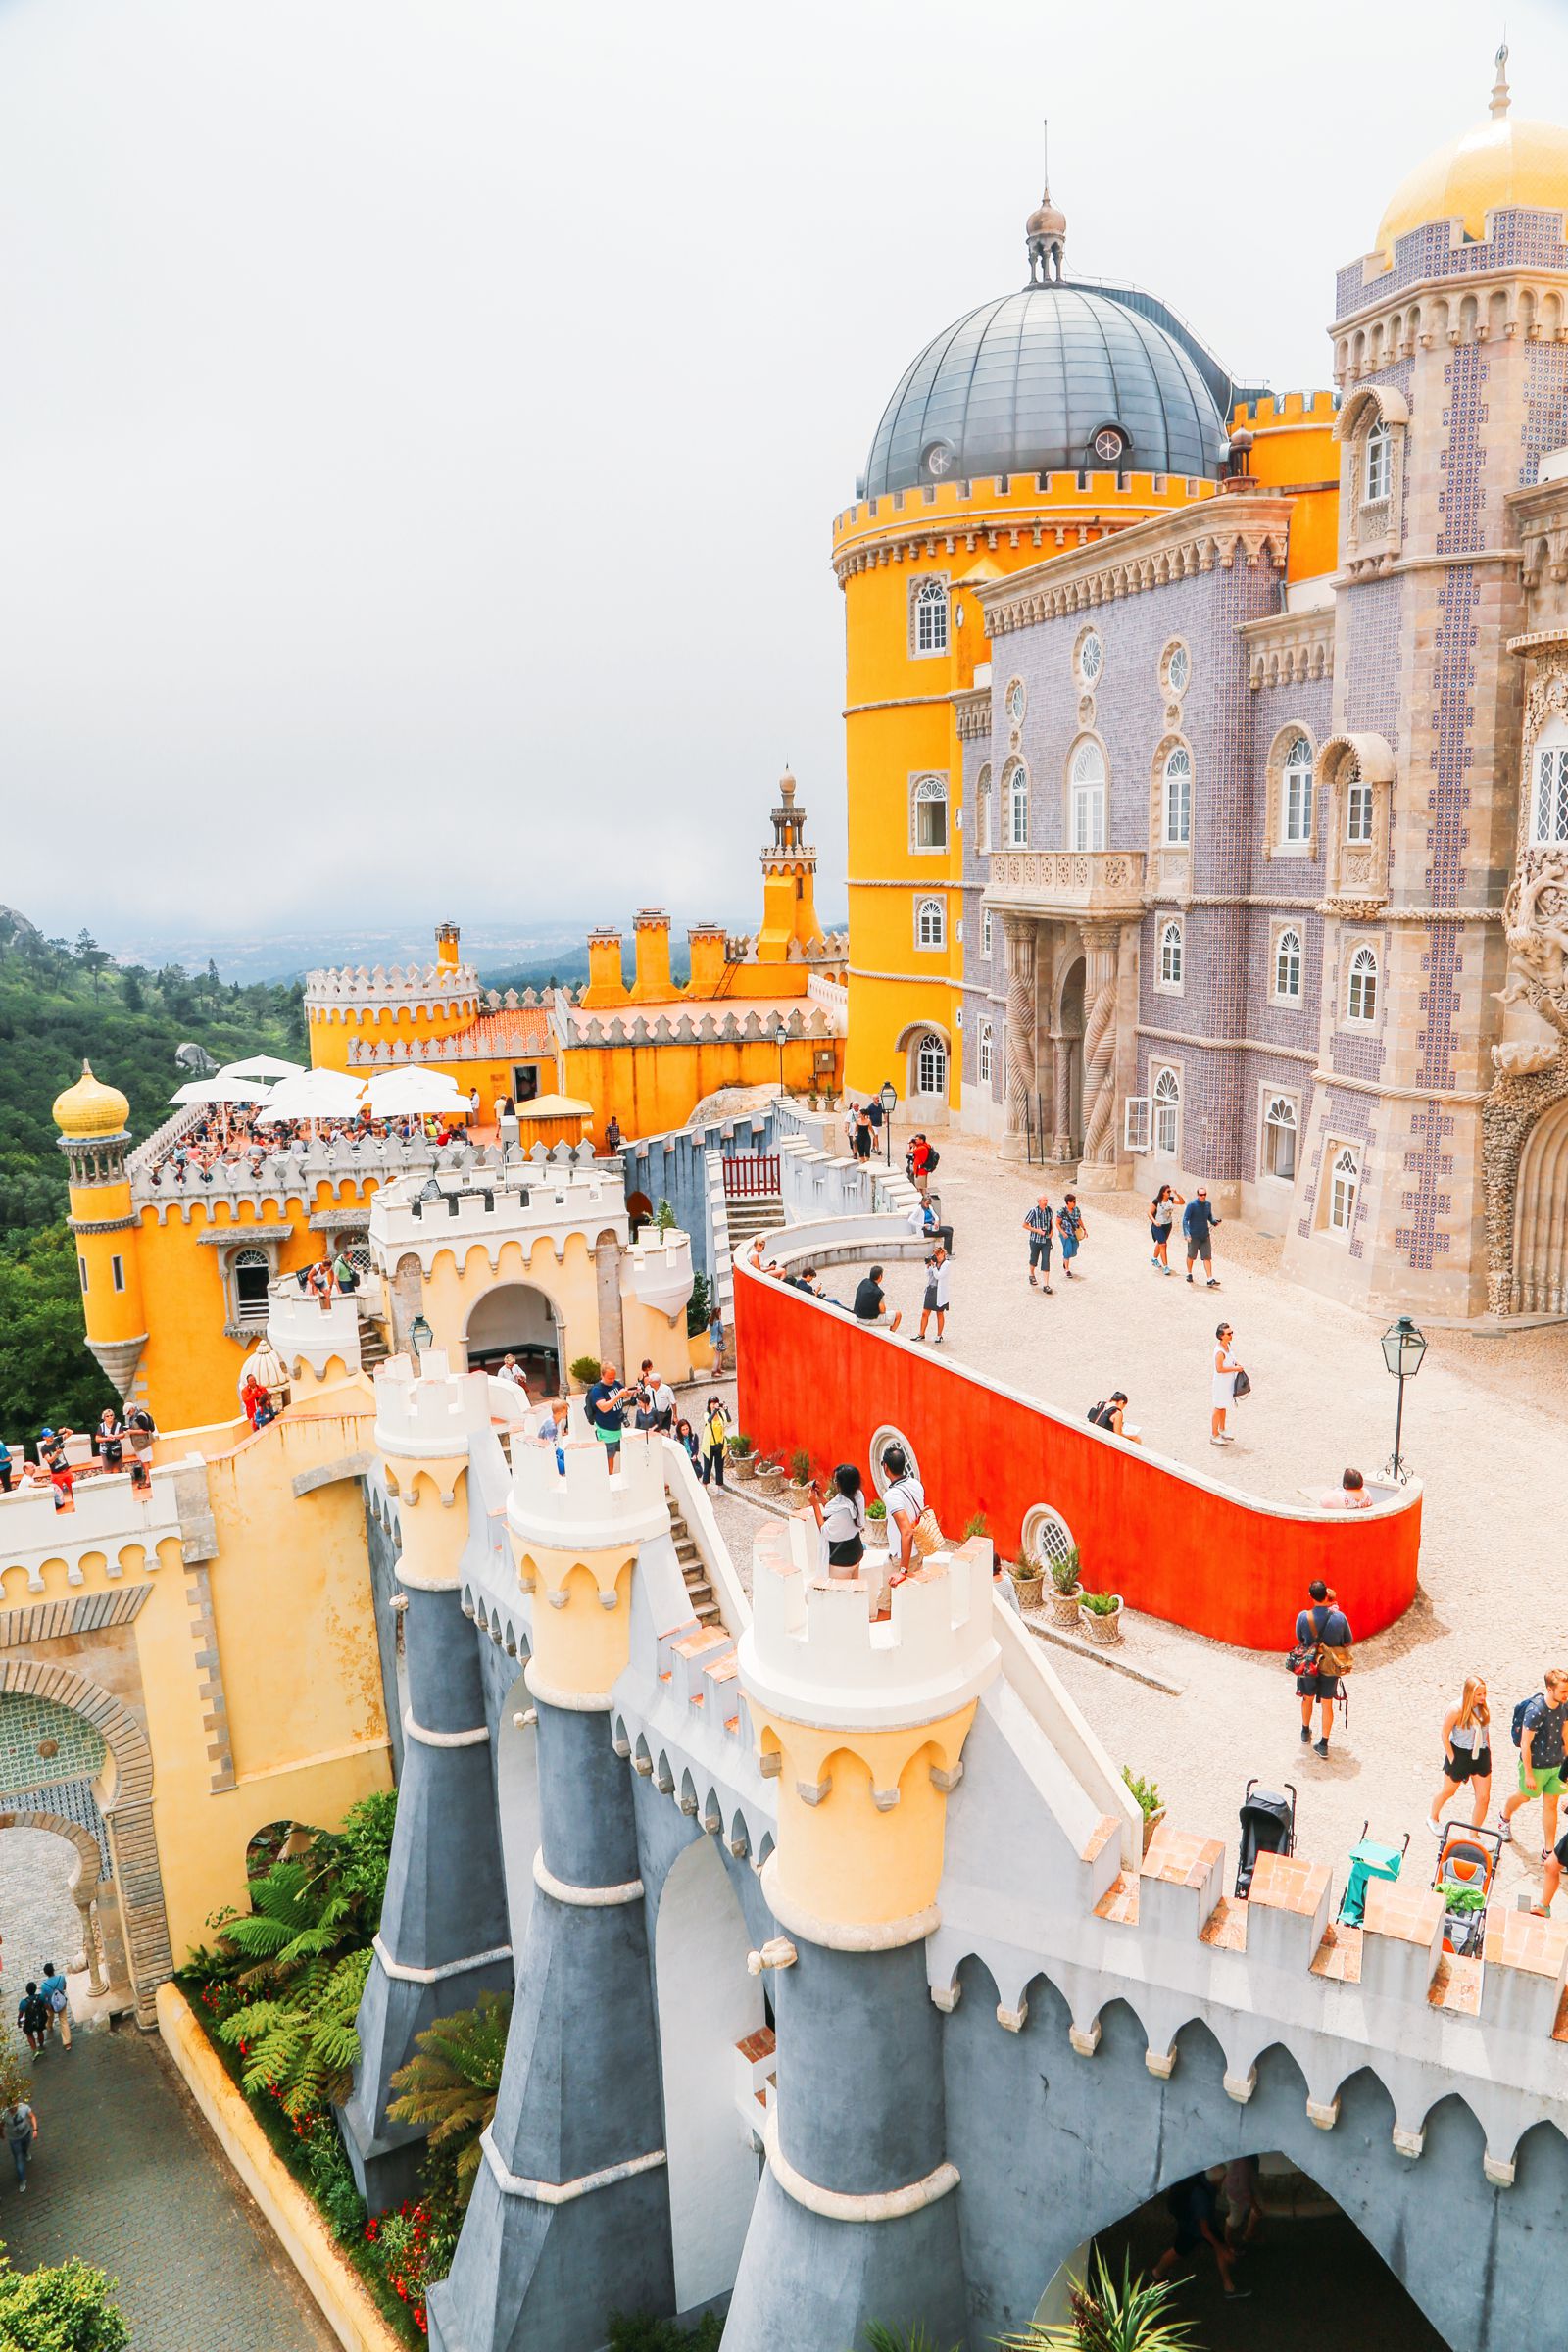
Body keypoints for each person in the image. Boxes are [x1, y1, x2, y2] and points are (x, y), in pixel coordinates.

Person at [1500, 1668, 1568, 1857]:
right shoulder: (1535, 1711)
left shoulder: (1565, 1706)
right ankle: (1504, 1816)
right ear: (1550, 1689)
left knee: (1551, 1804)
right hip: (1536, 1766)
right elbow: (1525, 1744)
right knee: (1524, 1796)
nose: (1566, 1695)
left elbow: (1565, 1734)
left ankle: (1548, 1851)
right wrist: (1528, 1773)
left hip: (1556, 1765)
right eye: (1563, 1691)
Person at [1152, 2171, 1249, 2300]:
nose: (1225, 2182)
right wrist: (1223, 2251)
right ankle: (1157, 2274)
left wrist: (1222, 2248)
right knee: (1179, 2250)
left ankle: (1229, 2287)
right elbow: (1205, 2231)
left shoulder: (1204, 2178)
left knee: (1219, 2244)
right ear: (1217, 2181)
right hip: (1193, 2228)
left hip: (1197, 2222)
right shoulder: (1201, 2198)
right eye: (1223, 2180)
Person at [1295, 1578, 1352, 1757]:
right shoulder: (1339, 1618)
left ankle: (1305, 1732)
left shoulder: (1304, 1617)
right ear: (1326, 1595)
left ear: (1310, 1596)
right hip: (1330, 1666)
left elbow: (1299, 1638)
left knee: (1307, 1699)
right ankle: (1324, 1744)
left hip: (1309, 1665)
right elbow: (1347, 1640)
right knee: (1327, 1705)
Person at [1429, 1676, 1493, 1834]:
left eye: (1484, 1694)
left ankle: (1474, 1834)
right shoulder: (1456, 1709)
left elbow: (1485, 1732)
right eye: (1479, 1695)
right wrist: (1452, 1758)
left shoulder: (1484, 1707)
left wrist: (1488, 1752)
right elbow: (1445, 1734)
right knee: (1448, 1791)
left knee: (1483, 1798)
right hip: (1460, 1753)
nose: (1482, 1698)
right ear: (1469, 1693)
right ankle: (1433, 1817)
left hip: (1480, 1753)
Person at [808, 1463, 866, 1579]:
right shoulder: (858, 1495)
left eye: (835, 1480)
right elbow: (834, 1511)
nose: (834, 1483)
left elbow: (824, 1530)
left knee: (841, 1596)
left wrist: (815, 1505)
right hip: (856, 1550)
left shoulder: (844, 1510)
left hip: (841, 1559)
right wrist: (821, 1497)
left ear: (842, 1484)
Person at [880, 1445, 928, 1577]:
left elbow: (906, 1532)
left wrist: (902, 1571)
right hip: (918, 1550)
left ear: (886, 1467)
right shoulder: (916, 1484)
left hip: (903, 1557)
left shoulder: (891, 1495)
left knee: (886, 1598)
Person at [584, 1363, 634, 1462]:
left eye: (614, 1377)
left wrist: (632, 1391)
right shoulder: (597, 1390)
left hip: (616, 1429)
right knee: (608, 1460)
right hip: (606, 1431)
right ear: (601, 1375)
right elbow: (604, 1408)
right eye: (609, 1378)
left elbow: (624, 1393)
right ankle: (609, 1477)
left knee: (615, 1455)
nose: (612, 1380)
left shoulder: (615, 1383)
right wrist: (618, 1396)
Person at [1182, 1187, 1223, 1287]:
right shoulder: (1191, 1205)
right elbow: (1185, 1220)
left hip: (1205, 1236)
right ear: (1197, 1195)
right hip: (1193, 1236)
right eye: (1201, 1194)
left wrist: (1214, 1222)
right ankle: (1189, 1273)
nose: (1203, 1196)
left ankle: (1210, 1279)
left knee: (1207, 1257)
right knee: (1191, 1256)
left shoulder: (1208, 1204)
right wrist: (1187, 1234)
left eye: (1205, 1194)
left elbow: (1209, 1217)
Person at [912, 1245, 951, 1345]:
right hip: (930, 1289)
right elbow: (928, 1274)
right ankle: (921, 1334)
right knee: (925, 1313)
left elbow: (938, 1276)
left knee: (939, 1313)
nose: (937, 1257)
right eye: (935, 1255)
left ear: (943, 1254)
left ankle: (939, 1335)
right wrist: (928, 1266)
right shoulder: (934, 1262)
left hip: (939, 1292)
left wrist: (933, 1266)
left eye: (938, 1255)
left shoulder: (946, 1264)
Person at [1222, 2155, 1261, 2253]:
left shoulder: (1242, 2159)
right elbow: (1244, 2190)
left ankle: (1248, 2234)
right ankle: (1227, 2242)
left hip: (1239, 2187)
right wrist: (1255, 2206)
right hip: (1237, 2195)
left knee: (1257, 2207)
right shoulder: (1243, 2164)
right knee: (1234, 2220)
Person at [1211, 1321, 1242, 1446]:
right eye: (1229, 1334)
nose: (1231, 1335)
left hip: (1227, 1382)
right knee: (1218, 1407)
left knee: (1223, 1406)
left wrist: (1236, 1364)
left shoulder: (1227, 1346)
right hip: (1221, 1384)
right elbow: (1219, 1369)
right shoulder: (1220, 1352)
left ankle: (1222, 1429)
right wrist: (1235, 1369)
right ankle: (1214, 1434)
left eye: (1231, 1333)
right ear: (1221, 1335)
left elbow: (1231, 1359)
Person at [2, 2093, 36, 2191]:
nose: (12, 2110)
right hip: (14, 2140)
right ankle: (22, 2180)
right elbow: (1, 2125)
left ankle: (25, 2152)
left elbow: (32, 2116)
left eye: (13, 2107)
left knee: (25, 2147)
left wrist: (35, 2129)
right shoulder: (4, 2114)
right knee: (18, 2158)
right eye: (10, 2108)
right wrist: (1, 2134)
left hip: (26, 2134)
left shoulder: (23, 2107)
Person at [851, 1267, 901, 1332]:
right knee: (898, 1315)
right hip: (868, 1320)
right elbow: (883, 1311)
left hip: (858, 1316)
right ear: (880, 1277)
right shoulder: (878, 1292)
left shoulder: (864, 1281)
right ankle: (891, 1334)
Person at [1150, 1182, 1184, 1276]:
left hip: (1168, 1225)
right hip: (1158, 1225)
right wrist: (1154, 1221)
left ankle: (1154, 1259)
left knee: (1161, 1243)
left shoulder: (1171, 1199)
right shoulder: (1157, 1201)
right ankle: (1166, 1267)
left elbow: (1182, 1202)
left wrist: (1177, 1193)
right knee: (1163, 1244)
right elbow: (1149, 1213)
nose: (1170, 1193)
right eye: (1168, 1191)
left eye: (1170, 1191)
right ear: (1163, 1192)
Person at [1023, 1195, 1054, 1295]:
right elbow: (1024, 1225)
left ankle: (1046, 1285)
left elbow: (1050, 1222)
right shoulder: (1033, 1211)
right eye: (1043, 1200)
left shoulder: (1049, 1210)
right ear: (1038, 1202)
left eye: (1046, 1200)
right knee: (1034, 1259)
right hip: (1035, 1240)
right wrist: (1037, 1231)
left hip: (1046, 1241)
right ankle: (1031, 1274)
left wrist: (1051, 1232)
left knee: (1046, 1261)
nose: (1045, 1202)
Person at [38, 1429, 75, 1509]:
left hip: (66, 1470)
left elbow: (71, 1433)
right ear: (44, 1437)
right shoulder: (44, 1449)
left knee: (74, 1489)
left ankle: (77, 1505)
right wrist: (56, 1454)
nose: (52, 1436)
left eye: (52, 1434)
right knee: (59, 1495)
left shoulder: (57, 1440)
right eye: (49, 1435)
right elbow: (50, 1460)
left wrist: (64, 1429)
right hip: (56, 1474)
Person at [38, 1963, 70, 2054]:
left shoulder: (44, 1985)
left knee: (50, 2015)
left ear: (45, 1973)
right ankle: (67, 2043)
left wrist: (47, 2006)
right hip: (61, 2002)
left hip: (51, 2005)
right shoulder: (61, 1978)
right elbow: (64, 1987)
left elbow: (43, 1998)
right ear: (53, 1970)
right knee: (63, 2021)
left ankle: (49, 2026)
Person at [700, 1396, 731, 1488]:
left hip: (719, 1445)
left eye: (716, 1403)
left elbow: (729, 1420)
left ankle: (720, 1486)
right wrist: (715, 1411)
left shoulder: (721, 1414)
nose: (714, 1405)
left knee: (719, 1467)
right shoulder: (706, 1414)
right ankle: (704, 1485)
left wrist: (726, 1410)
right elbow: (708, 1420)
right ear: (709, 1405)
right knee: (707, 1467)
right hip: (708, 1446)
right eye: (712, 1403)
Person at [1056, 1194, 1086, 1279]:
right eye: (1073, 1202)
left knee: (1073, 1252)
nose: (1075, 1203)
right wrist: (1063, 1232)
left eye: (1075, 1201)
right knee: (1068, 1250)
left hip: (1074, 1234)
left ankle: (1066, 1259)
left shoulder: (1076, 1210)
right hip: (1065, 1235)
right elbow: (1057, 1223)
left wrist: (1084, 1229)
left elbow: (1079, 1220)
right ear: (1068, 1203)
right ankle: (1067, 1269)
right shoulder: (1062, 1211)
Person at [16, 1983, 48, 2057]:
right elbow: (46, 2007)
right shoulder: (40, 1997)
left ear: (27, 1991)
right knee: (40, 2031)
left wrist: (18, 2022)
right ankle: (41, 2044)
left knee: (29, 2034)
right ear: (35, 1989)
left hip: (29, 2022)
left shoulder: (23, 2003)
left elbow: (20, 2015)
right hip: (39, 2019)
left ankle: (34, 2050)